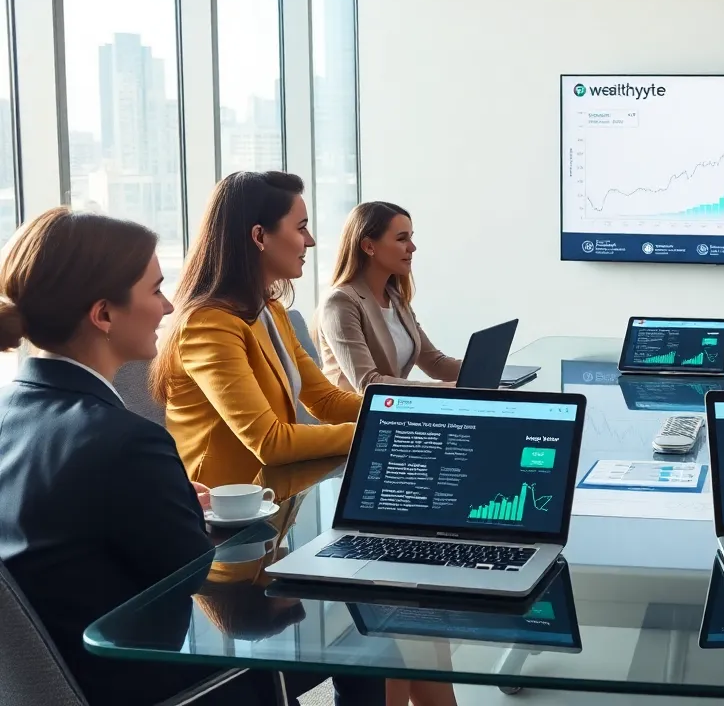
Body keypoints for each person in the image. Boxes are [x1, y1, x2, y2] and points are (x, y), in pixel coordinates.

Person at [0, 208, 279, 705]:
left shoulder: (13, 414)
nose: (169, 307)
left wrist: (167, 502)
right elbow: (197, 575)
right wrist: (191, 513)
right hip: (136, 683)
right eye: (155, 290)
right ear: (103, 314)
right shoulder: (125, 442)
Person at [150, 171, 362, 488]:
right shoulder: (208, 325)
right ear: (260, 236)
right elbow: (270, 442)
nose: (311, 241)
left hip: (270, 501)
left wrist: (411, 411)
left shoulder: (271, 310)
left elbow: (326, 401)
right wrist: (381, 431)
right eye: (301, 228)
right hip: (220, 517)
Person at [317, 202, 460, 392]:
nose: (413, 247)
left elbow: (435, 363)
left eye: (411, 238)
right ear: (369, 247)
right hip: (356, 417)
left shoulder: (395, 298)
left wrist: (492, 372)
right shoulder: (340, 302)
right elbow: (369, 383)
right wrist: (450, 389)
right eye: (402, 239)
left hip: (392, 410)